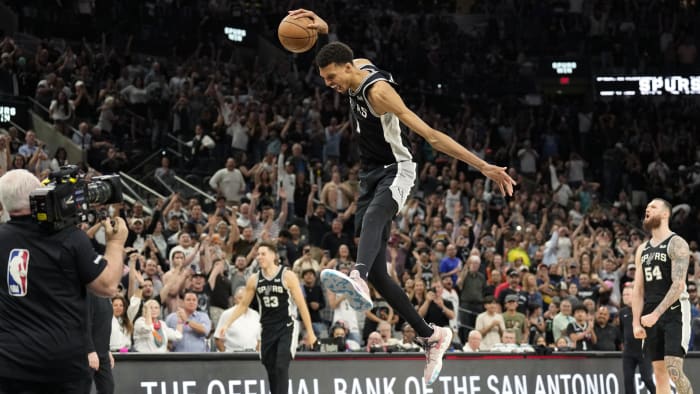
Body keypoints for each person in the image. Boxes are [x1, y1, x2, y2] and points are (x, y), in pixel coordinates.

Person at [292, 8, 516, 385]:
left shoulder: (379, 93)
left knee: (373, 222)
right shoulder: (352, 66)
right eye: (325, 78)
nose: (329, 84)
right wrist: (326, 31)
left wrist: (484, 167)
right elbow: (340, 54)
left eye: (331, 78)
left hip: (398, 169)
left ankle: (357, 276)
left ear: (346, 70)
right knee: (382, 271)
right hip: (369, 174)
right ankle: (431, 336)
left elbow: (431, 135)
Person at [0, 169, 127, 393]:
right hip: (61, 367)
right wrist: (116, 243)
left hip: (10, 365)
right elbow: (107, 286)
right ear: (39, 194)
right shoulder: (69, 237)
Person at [218, 241, 317, 394]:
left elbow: (302, 305)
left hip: (286, 326)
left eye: (263, 254)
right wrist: (228, 323)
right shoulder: (254, 279)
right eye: (258, 254)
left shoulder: (287, 276)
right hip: (267, 328)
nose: (259, 257)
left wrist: (310, 332)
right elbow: (243, 305)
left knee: (281, 365)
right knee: (270, 368)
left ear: (273, 256)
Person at [633, 198, 693, 394]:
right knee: (659, 374)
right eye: (647, 206)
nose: (647, 209)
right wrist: (636, 322)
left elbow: (679, 285)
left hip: (674, 311)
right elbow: (638, 289)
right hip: (650, 312)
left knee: (674, 369)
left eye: (653, 206)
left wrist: (656, 315)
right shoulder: (642, 249)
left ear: (665, 213)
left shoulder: (677, 243)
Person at [620, 286, 656, 394]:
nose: (624, 297)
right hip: (628, 352)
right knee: (628, 380)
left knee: (646, 378)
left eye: (627, 294)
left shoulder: (645, 310)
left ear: (634, 296)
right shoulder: (622, 312)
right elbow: (622, 329)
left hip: (644, 350)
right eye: (623, 295)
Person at [84, 291, 115, 394]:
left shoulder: (106, 296)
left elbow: (103, 324)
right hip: (87, 354)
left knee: (108, 388)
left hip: (103, 353)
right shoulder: (89, 293)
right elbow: (85, 323)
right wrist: (90, 351)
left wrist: (107, 349)